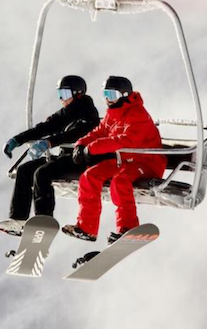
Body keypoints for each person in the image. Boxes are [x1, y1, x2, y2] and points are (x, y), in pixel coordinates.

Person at [62, 76, 167, 243]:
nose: (107, 100)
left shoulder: (138, 114)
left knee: (120, 181)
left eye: (111, 95)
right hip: (124, 161)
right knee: (90, 176)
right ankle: (86, 227)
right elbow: (100, 131)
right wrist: (81, 144)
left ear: (124, 95)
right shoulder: (113, 113)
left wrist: (92, 148)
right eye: (105, 95)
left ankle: (128, 228)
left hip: (147, 162)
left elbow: (124, 140)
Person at [0, 74, 100, 236]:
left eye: (65, 95)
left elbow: (75, 135)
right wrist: (18, 140)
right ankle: (18, 219)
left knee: (42, 173)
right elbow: (46, 127)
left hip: (81, 160)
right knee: (25, 170)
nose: (61, 99)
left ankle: (44, 220)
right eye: (59, 95)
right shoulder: (67, 112)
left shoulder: (88, 113)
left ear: (78, 94)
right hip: (65, 158)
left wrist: (49, 143)